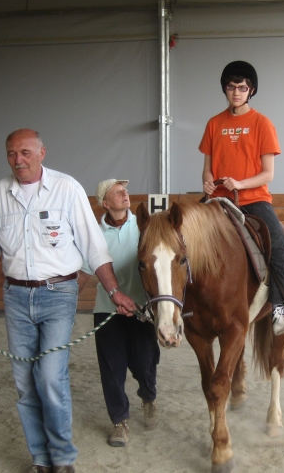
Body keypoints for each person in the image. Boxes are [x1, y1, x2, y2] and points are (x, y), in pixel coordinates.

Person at [0, 129, 136, 473]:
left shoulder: (67, 188)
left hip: (59, 294)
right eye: (12, 154)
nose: (19, 160)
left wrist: (114, 291)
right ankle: (41, 459)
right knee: (25, 383)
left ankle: (62, 458)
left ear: (42, 152)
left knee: (49, 376)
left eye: (26, 152)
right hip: (15, 297)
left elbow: (94, 247)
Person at [199, 60, 284, 335]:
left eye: (242, 87)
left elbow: (268, 174)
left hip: (254, 199)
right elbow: (207, 168)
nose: (236, 92)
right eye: (231, 87)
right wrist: (207, 182)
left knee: (280, 244)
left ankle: (281, 310)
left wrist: (240, 183)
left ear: (251, 90)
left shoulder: (262, 123)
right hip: (219, 201)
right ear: (225, 89)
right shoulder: (214, 124)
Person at [78, 179, 160, 448]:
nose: (125, 193)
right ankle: (120, 422)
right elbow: (83, 273)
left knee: (145, 364)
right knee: (112, 369)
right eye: (117, 191)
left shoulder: (144, 225)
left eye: (125, 190)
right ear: (105, 202)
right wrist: (64, 304)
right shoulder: (95, 233)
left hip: (142, 311)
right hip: (107, 311)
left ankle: (148, 397)